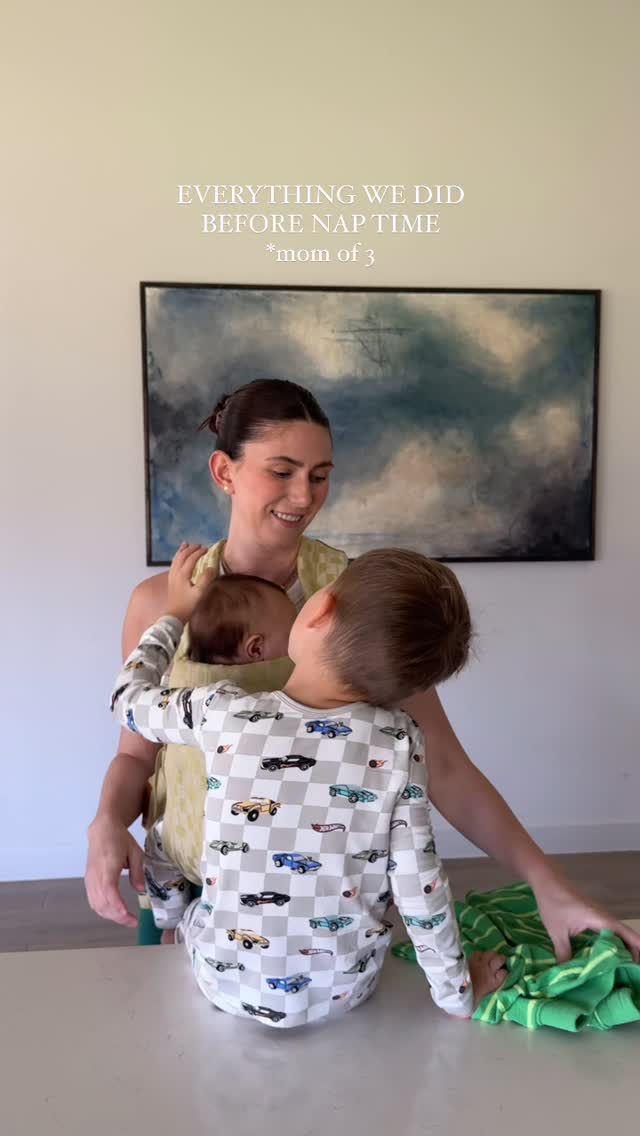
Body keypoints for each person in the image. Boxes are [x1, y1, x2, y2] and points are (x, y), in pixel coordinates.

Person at [85, 378, 640, 963]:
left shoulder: (353, 598)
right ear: (225, 472)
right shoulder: (161, 605)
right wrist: (106, 822)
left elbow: (444, 763)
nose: (304, 495)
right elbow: (136, 756)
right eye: (282, 471)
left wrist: (548, 883)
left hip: (327, 918)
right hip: (192, 901)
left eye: (320, 475)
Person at [111, 542, 508, 1027]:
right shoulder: (399, 743)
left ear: (319, 610)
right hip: (346, 989)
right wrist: (457, 994)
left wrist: (175, 614)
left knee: (168, 844)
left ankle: (172, 924)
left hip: (223, 983)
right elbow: (419, 884)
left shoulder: (223, 712)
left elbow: (127, 699)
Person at [141, 572, 298, 932]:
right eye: (293, 634)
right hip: (243, 849)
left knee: (157, 844)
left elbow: (134, 697)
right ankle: (194, 925)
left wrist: (172, 618)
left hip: (180, 835)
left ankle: (169, 919)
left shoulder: (178, 687)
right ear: (256, 650)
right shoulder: (280, 691)